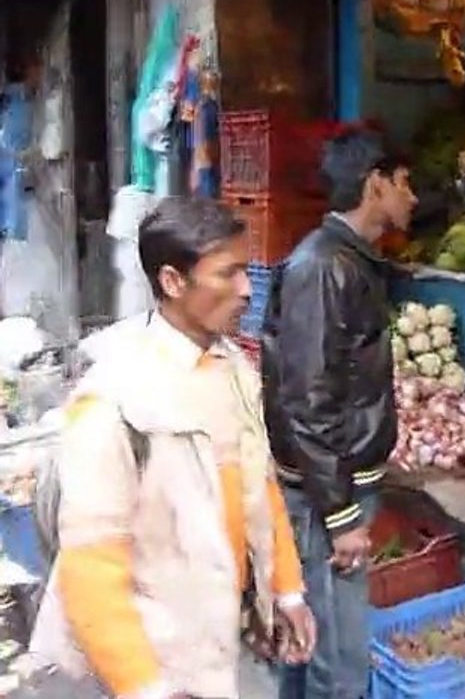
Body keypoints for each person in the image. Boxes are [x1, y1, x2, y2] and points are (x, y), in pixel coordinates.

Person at [29, 197, 315, 699]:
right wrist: (146, 686)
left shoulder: (235, 372)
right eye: (227, 274)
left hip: (220, 637)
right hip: (157, 653)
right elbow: (91, 565)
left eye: (245, 271)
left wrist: (285, 590)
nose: (247, 290)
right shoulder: (115, 399)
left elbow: (259, 488)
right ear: (172, 282)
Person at [261, 129, 417, 699]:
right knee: (341, 663)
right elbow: (307, 398)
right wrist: (342, 512)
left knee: (310, 649)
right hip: (327, 492)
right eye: (404, 183)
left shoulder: (348, 260)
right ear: (375, 184)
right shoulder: (324, 268)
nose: (412, 197)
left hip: (335, 482)